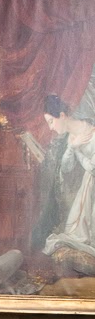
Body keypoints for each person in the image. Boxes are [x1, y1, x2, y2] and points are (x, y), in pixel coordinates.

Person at [36, 94, 95, 275]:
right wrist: (73, 147)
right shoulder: (71, 139)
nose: (50, 127)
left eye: (51, 121)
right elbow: (68, 168)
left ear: (62, 115)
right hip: (90, 182)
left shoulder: (91, 129)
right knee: (77, 231)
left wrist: (78, 147)